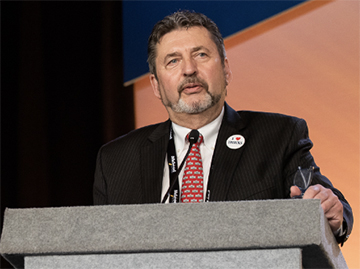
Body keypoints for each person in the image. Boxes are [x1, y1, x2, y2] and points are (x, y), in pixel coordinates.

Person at [93, 10, 352, 245]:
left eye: (201, 55)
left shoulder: (279, 136)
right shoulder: (115, 161)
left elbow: (321, 198)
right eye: (173, 61)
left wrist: (332, 210)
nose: (189, 70)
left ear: (226, 70)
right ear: (155, 85)